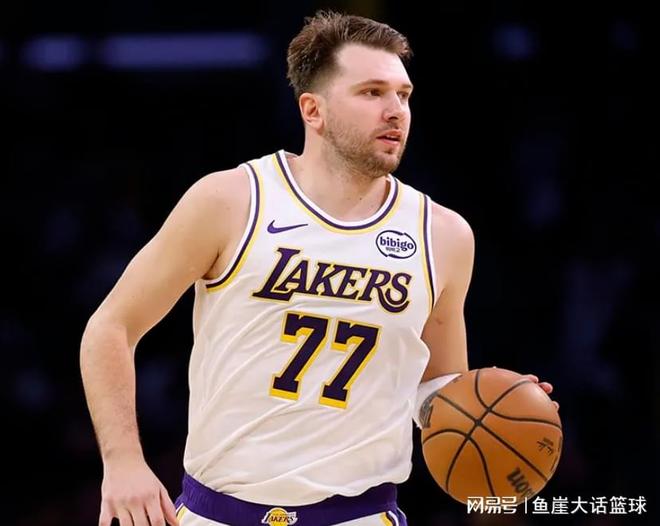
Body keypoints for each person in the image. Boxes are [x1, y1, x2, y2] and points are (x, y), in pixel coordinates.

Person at [80, 10, 556, 526]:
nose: (395, 111)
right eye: (372, 93)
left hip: (360, 514)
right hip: (217, 510)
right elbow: (111, 327)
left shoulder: (444, 235)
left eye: (403, 95)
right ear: (313, 110)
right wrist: (122, 461)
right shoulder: (230, 200)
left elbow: (438, 388)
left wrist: (498, 407)